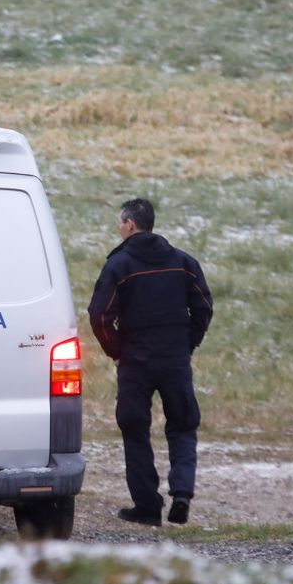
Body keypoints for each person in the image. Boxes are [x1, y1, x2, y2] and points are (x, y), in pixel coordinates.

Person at [88, 198, 214, 527]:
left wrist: (117, 350)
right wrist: (187, 343)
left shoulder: (118, 265)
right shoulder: (183, 262)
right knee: (183, 425)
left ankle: (147, 506)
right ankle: (182, 492)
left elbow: (99, 315)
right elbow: (204, 306)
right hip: (175, 360)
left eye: (120, 223)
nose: (119, 228)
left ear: (130, 225)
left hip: (136, 362)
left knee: (135, 430)